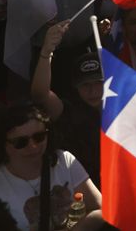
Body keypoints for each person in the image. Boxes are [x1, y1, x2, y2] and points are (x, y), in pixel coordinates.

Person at [0, 104, 103, 231]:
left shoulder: (64, 161)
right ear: (2, 145)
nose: (33, 146)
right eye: (20, 142)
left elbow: (100, 208)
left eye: (39, 137)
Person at [31, 23, 103, 184]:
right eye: (85, 85)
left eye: (98, 82)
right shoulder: (69, 110)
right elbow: (40, 95)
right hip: (79, 187)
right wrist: (46, 52)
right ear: (76, 87)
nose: (93, 90)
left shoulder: (123, 110)